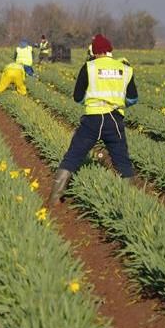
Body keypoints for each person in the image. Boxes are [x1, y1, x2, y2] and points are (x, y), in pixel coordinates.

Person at [47, 34, 138, 205]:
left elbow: (77, 97)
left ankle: (54, 198)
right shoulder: (125, 69)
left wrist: (92, 100)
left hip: (92, 120)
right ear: (110, 50)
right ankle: (131, 201)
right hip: (114, 119)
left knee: (73, 156)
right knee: (122, 159)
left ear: (95, 52)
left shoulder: (88, 67)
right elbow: (133, 99)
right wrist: (118, 102)